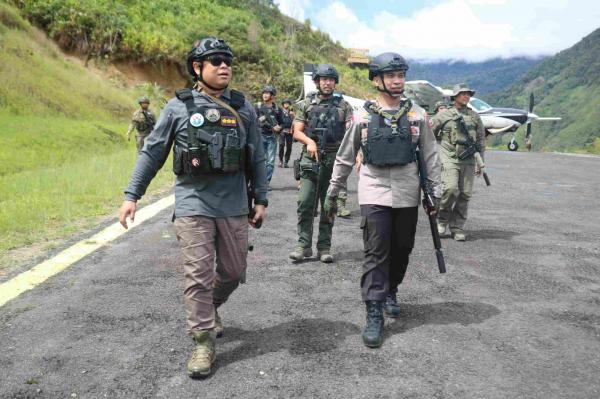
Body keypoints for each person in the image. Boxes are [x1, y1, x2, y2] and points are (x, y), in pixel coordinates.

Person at [118, 37, 268, 379]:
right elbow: (152, 152)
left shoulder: (244, 108)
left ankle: (210, 305)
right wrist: (132, 195)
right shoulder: (178, 107)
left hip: (233, 204)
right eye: (215, 61)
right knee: (197, 274)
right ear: (197, 68)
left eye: (227, 60)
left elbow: (257, 156)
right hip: (192, 204)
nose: (224, 66)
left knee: (233, 271)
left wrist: (261, 198)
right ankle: (202, 339)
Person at [323, 53, 441, 348]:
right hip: (374, 190)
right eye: (391, 75)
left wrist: (434, 192)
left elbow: (430, 154)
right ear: (377, 80)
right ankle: (373, 310)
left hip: (407, 191)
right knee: (376, 251)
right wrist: (333, 191)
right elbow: (345, 155)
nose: (398, 80)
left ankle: (391, 290)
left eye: (401, 74)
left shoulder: (417, 115)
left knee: (402, 248)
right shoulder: (362, 116)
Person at [289, 64, 353, 263]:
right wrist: (309, 142)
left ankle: (324, 247)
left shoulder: (344, 105)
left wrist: (356, 154)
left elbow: (352, 131)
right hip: (310, 159)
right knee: (305, 201)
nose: (327, 83)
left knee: (329, 205)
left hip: (334, 160)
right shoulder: (306, 103)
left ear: (335, 82)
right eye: (323, 79)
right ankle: (303, 245)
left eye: (331, 79)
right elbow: (297, 130)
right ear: (317, 82)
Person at [431, 83, 485, 241]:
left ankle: (457, 227)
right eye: (462, 94)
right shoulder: (444, 115)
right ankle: (441, 219)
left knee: (465, 194)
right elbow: (429, 134)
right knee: (450, 188)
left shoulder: (475, 116)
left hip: (468, 160)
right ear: (455, 96)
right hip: (449, 157)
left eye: (468, 94)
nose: (466, 96)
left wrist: (480, 163)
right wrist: (433, 154)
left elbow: (481, 140)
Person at [256, 86, 283, 188]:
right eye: (264, 93)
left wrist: (279, 127)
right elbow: (254, 120)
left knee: (270, 162)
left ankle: (266, 183)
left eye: (268, 93)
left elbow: (284, 123)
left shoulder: (277, 109)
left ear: (272, 96)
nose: (265, 95)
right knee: (260, 160)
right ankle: (259, 182)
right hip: (260, 136)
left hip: (272, 138)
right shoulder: (258, 107)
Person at [278, 99, 295, 168]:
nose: (286, 104)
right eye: (285, 103)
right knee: (281, 145)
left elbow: (296, 121)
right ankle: (280, 161)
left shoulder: (291, 112)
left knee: (289, 147)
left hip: (290, 131)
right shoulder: (280, 112)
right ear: (283, 104)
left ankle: (286, 162)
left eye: (287, 103)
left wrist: (293, 115)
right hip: (282, 130)